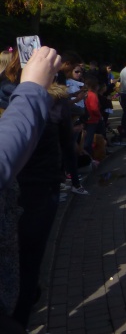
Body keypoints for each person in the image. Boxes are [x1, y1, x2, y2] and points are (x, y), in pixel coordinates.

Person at [0, 47, 61, 331]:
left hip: (32, 193)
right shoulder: (28, 99)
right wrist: (34, 89)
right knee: (25, 270)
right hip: (33, 195)